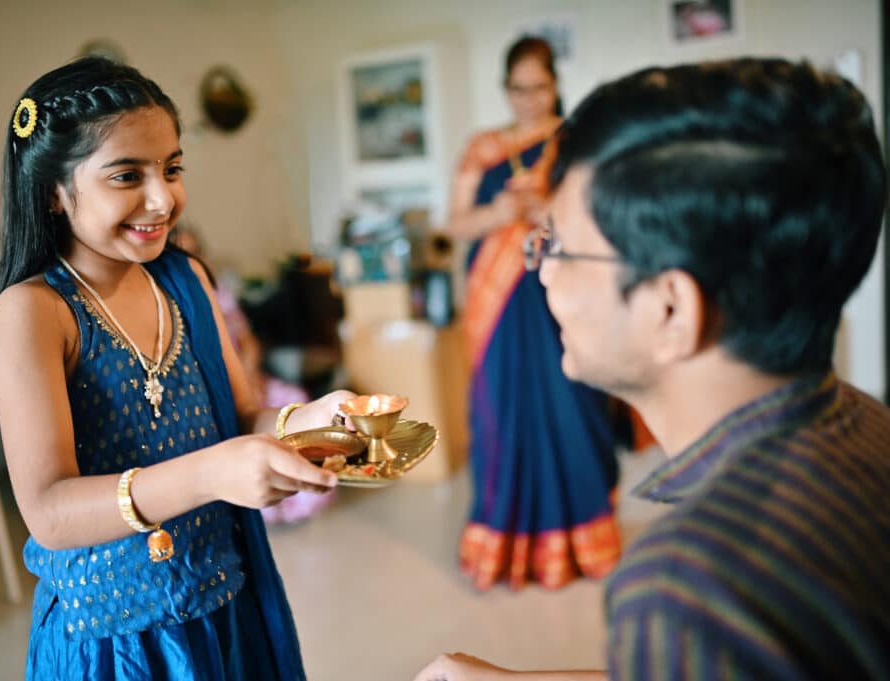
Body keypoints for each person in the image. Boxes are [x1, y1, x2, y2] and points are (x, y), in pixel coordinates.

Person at [414, 57, 890, 680]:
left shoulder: (684, 587)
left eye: (557, 244)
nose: (542, 269)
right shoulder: (865, 422)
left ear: (671, 308)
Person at [0, 57, 351, 680]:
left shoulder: (183, 279)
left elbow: (244, 413)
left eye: (172, 168)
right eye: (127, 176)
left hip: (224, 603)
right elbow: (50, 511)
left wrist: (308, 420)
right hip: (116, 640)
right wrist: (213, 473)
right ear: (52, 191)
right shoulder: (36, 313)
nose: (163, 197)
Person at [446, 36, 620, 591]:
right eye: (517, 89)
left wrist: (545, 208)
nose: (527, 99)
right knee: (502, 415)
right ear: (505, 89)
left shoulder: (575, 142)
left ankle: (582, 543)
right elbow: (454, 224)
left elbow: (598, 215)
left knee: (573, 401)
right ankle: (507, 548)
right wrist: (499, 211)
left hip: (559, 289)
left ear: (555, 85)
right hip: (496, 302)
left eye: (538, 87)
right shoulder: (482, 148)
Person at [172, 226, 336, 524]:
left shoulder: (217, 290)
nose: (191, 259)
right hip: (211, 388)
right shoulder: (172, 301)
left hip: (246, 377)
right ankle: (262, 507)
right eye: (183, 253)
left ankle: (299, 493)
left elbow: (247, 341)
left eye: (196, 251)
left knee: (294, 400)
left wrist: (250, 376)